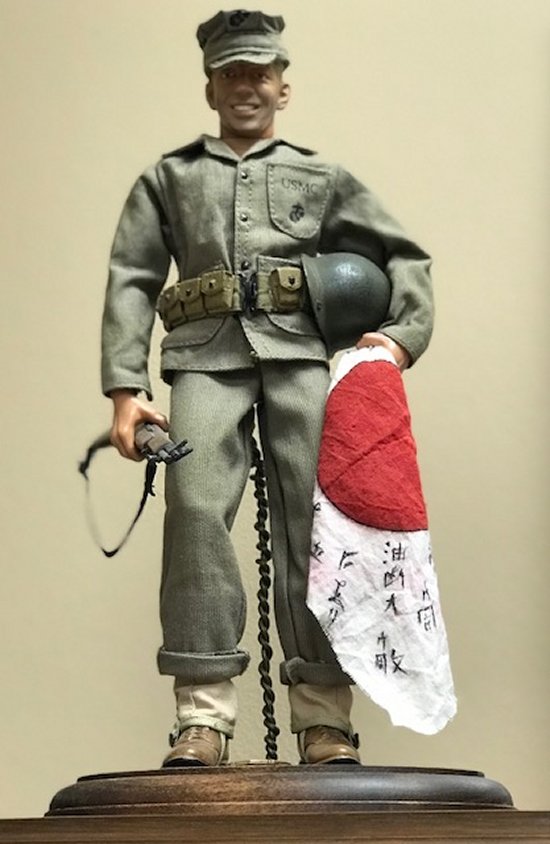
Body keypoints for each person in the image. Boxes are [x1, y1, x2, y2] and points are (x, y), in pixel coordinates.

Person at [101, 9, 434, 767]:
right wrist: (125, 389)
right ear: (210, 87)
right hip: (204, 358)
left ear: (283, 87)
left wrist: (401, 336)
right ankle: (203, 715)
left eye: (260, 73)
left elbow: (405, 256)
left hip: (299, 356)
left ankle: (324, 715)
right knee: (193, 512)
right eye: (231, 74)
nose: (245, 86)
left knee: (318, 526)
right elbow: (132, 279)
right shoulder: (171, 178)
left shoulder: (322, 177)